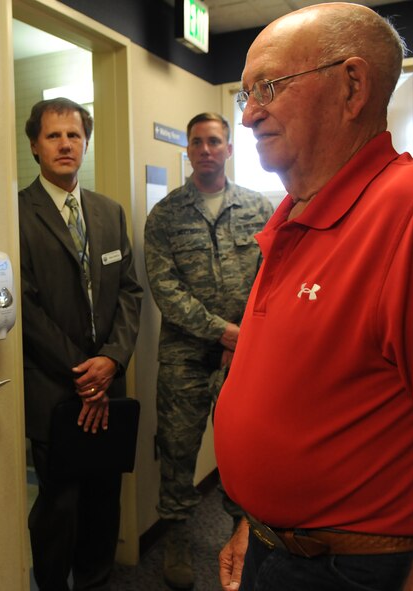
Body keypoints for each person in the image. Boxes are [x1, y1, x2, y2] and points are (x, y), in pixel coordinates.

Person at [214, 3, 413, 591]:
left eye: (267, 87)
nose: (248, 116)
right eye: (245, 93)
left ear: (352, 86)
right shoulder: (295, 212)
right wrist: (258, 520)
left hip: (353, 567)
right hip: (279, 547)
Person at [144, 112, 273, 589]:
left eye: (214, 141)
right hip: (185, 355)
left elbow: (271, 277)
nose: (205, 150)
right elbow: (165, 287)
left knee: (243, 447)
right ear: (188, 150)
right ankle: (176, 534)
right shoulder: (166, 214)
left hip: (247, 355)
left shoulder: (260, 209)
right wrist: (223, 332)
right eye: (196, 142)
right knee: (178, 449)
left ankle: (243, 529)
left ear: (229, 148)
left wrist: (245, 339)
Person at [18, 97, 143, 590]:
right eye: (53, 136)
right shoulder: (17, 213)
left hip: (108, 385)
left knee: (103, 502)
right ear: (34, 146)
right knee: (59, 506)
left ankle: (96, 582)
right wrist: (84, 374)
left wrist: (110, 361)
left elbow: (131, 291)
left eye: (74, 135)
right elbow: (25, 306)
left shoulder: (108, 212)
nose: (65, 144)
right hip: (56, 389)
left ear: (85, 143)